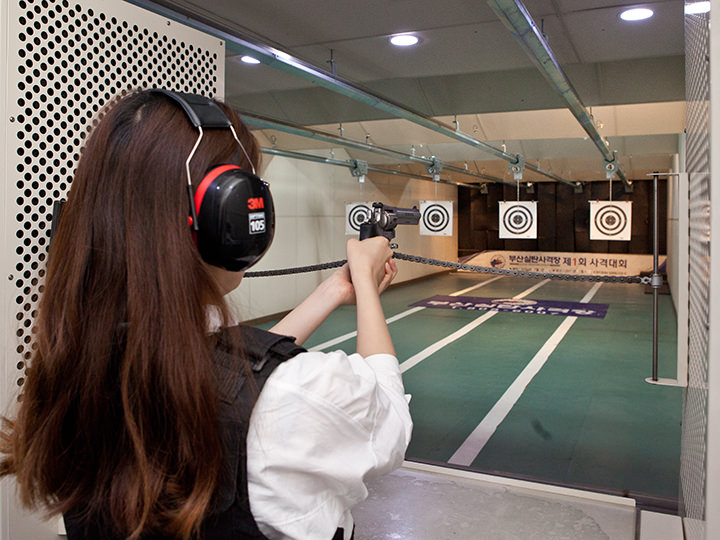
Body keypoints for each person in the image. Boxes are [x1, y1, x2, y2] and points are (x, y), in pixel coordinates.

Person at [0, 89, 412, 540]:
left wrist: (335, 289)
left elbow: (228, 377)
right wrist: (367, 285)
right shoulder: (295, 394)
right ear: (228, 218)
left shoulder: (79, 366)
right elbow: (389, 422)